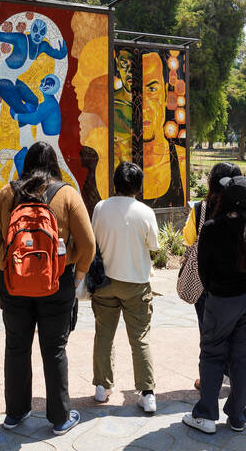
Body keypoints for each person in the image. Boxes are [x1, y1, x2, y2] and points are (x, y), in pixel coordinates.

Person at [0, 141, 96, 436]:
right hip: (57, 283)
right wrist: (77, 276)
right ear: (54, 163)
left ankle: (15, 413)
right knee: (55, 349)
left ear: (26, 164)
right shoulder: (67, 194)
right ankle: (59, 418)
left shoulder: (7, 194)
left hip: (14, 283)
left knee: (16, 346)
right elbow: (88, 244)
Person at [183, 176, 246, 435]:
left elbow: (203, 270)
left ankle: (207, 415)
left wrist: (214, 291)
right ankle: (238, 417)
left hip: (222, 300)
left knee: (212, 353)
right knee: (244, 357)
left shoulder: (212, 227)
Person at [90, 162, 159, 412]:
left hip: (104, 282)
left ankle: (102, 387)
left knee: (104, 335)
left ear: (114, 183)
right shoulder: (145, 212)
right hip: (136, 284)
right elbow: (153, 245)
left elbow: (94, 238)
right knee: (140, 338)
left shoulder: (100, 207)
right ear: (139, 187)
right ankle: (147, 392)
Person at [181, 162, 242, 390]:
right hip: (237, 284)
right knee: (234, 333)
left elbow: (188, 239)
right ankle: (230, 373)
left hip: (205, 282)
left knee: (207, 334)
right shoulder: (243, 209)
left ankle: (208, 379)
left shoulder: (201, 208)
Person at [142, 52, 186, 207]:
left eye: (152, 89)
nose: (143, 106)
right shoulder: (112, 162)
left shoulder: (181, 160)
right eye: (133, 90)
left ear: (166, 94)